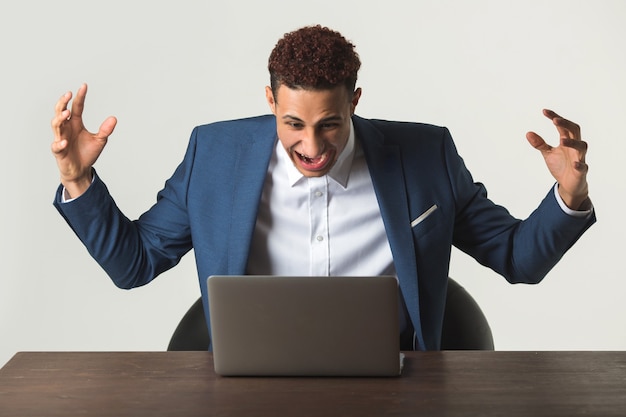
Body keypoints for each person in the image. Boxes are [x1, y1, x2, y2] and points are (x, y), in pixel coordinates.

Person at [50, 25, 595, 351]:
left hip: (397, 384)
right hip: (250, 391)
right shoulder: (213, 157)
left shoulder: (425, 155)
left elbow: (516, 257)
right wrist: (76, 177)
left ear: (354, 101)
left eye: (329, 124)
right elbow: (134, 263)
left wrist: (568, 195)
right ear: (271, 101)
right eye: (293, 124)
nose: (311, 146)